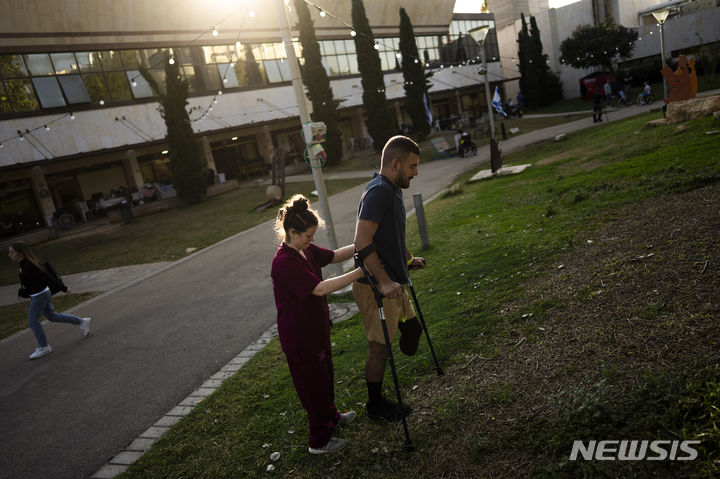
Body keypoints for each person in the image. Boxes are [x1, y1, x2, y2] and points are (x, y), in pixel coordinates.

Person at [270, 194, 364, 455]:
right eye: (308, 236)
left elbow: (334, 256)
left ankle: (332, 418)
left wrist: (362, 246)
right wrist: (359, 272)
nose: (312, 240)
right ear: (292, 232)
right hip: (300, 336)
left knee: (325, 379)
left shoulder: (304, 250)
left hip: (316, 328)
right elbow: (320, 289)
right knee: (313, 388)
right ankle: (319, 441)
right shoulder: (284, 262)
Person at [353, 135, 426, 421]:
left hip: (395, 282)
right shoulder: (379, 192)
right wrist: (383, 281)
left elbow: (392, 234)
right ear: (395, 164)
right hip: (375, 286)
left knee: (412, 331)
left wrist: (408, 259)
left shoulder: (394, 188)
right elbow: (362, 241)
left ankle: (398, 333)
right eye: (412, 166)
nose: (416, 172)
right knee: (379, 350)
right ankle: (375, 406)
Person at [8, 242, 91, 360]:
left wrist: (63, 287)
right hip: (39, 294)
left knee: (33, 321)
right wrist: (28, 293)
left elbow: (47, 277)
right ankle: (82, 322)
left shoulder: (29, 265)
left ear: (20, 253)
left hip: (40, 295)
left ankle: (44, 347)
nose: (9, 255)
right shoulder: (23, 264)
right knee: (51, 316)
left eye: (12, 252)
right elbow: (32, 281)